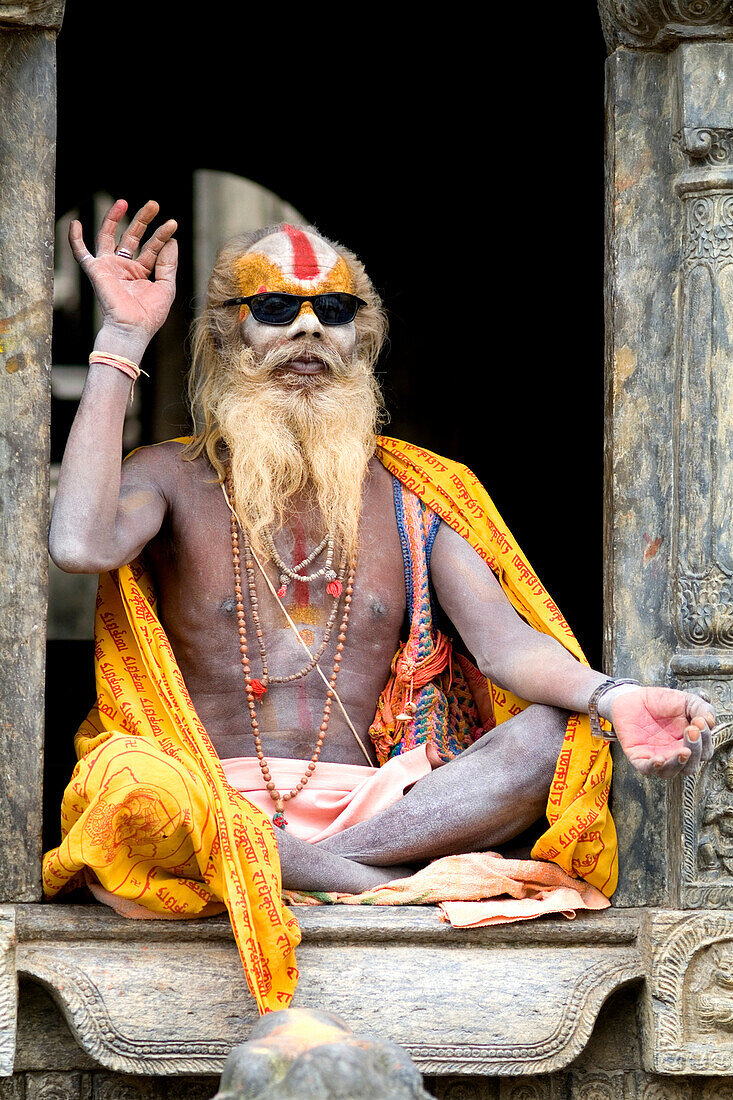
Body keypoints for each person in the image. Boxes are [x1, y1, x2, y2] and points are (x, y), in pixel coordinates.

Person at [44, 198, 716, 1012]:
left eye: (333, 311)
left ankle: (317, 868)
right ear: (227, 335)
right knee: (127, 785)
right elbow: (80, 547)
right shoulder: (168, 477)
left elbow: (505, 649)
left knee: (558, 732)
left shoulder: (415, 491)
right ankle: (376, 885)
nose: (307, 333)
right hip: (203, 800)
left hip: (387, 809)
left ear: (363, 338)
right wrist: (119, 341)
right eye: (273, 310)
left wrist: (616, 694)